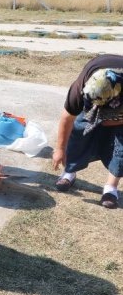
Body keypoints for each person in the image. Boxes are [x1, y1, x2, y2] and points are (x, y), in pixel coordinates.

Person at [53, 54, 123, 209]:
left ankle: (111, 188)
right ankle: (69, 172)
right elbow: (67, 118)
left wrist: (116, 120)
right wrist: (59, 149)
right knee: (79, 132)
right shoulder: (82, 86)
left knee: (121, 146)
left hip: (120, 98)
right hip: (106, 88)